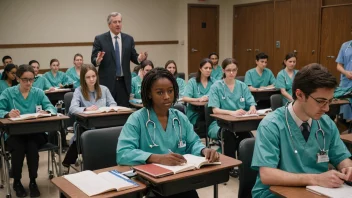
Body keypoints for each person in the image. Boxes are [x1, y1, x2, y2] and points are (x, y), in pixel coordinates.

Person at [251, 63, 352, 198]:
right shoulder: (271, 125)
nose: (327, 108)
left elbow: (341, 157)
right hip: (274, 194)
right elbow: (267, 175)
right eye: (321, 101)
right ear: (300, 95)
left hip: (317, 192)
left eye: (330, 101)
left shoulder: (326, 124)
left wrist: (347, 168)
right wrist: (316, 179)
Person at [117, 68, 219, 198]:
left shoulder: (180, 117)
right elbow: (123, 153)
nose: (167, 96)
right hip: (150, 185)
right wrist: (159, 158)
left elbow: (193, 143)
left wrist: (204, 150)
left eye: (170, 91)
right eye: (160, 92)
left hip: (178, 180)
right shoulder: (137, 119)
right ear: (149, 94)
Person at [0, 65, 57, 197]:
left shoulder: (38, 92)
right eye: (25, 79)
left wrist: (47, 111)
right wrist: (8, 114)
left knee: (32, 146)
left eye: (31, 79)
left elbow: (50, 106)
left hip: (36, 133)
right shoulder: (8, 93)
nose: (28, 83)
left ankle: (32, 181)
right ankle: (17, 181)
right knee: (18, 148)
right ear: (18, 78)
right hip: (15, 133)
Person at [62, 64, 117, 173]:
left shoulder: (104, 89)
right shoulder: (79, 90)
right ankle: (92, 164)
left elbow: (113, 103)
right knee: (84, 133)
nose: (92, 79)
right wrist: (86, 109)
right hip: (86, 125)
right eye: (88, 77)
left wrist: (110, 108)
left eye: (93, 76)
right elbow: (72, 108)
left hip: (103, 124)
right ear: (83, 78)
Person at [91, 12, 147, 107]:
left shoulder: (129, 39)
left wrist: (139, 58)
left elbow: (133, 56)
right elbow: (93, 59)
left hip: (123, 83)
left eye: (119, 22)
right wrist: (98, 60)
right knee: (107, 112)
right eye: (115, 22)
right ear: (109, 25)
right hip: (107, 83)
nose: (118, 24)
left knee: (123, 111)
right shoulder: (100, 39)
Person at [208, 58, 256, 153]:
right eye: (228, 70)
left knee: (248, 138)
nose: (231, 73)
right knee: (229, 138)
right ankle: (230, 167)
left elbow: (251, 103)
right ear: (223, 70)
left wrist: (252, 108)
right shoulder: (216, 87)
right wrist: (232, 113)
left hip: (239, 123)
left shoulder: (242, 86)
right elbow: (215, 110)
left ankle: (244, 166)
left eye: (234, 70)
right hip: (220, 124)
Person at [183, 58, 214, 125]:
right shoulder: (192, 82)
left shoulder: (214, 82)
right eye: (206, 68)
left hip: (211, 112)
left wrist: (208, 97)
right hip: (195, 112)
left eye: (210, 68)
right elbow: (185, 98)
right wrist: (198, 99)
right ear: (200, 69)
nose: (208, 70)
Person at [336, 33, 352, 122]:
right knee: (343, 115)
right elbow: (339, 65)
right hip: (345, 84)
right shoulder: (345, 46)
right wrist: (345, 72)